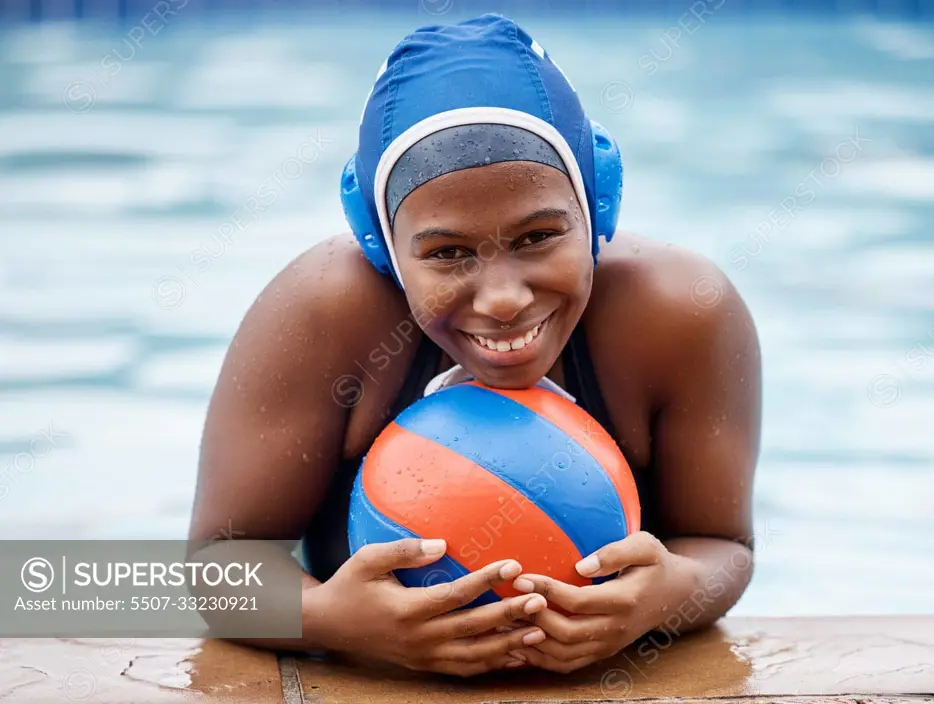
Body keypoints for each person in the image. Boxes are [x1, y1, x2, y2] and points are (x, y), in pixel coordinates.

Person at [188, 13, 761, 678]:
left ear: (597, 208)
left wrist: (669, 596)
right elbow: (217, 566)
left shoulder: (678, 317)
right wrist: (335, 621)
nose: (502, 298)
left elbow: (723, 547)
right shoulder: (322, 316)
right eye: (448, 253)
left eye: (538, 237)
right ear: (386, 250)